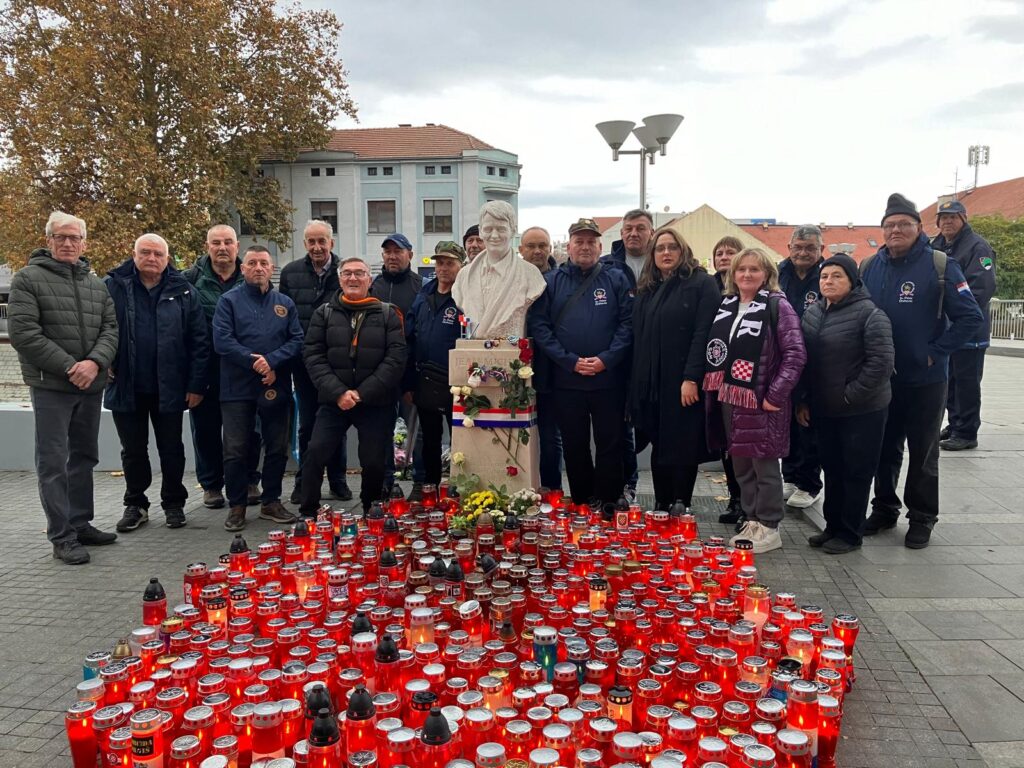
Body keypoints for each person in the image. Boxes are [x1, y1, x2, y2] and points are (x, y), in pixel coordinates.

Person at [860, 193, 983, 548]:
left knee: (924, 451)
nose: (896, 230)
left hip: (925, 380)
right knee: (884, 448)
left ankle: (922, 517)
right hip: (883, 379)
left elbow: (970, 317)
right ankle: (884, 508)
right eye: (889, 225)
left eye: (904, 224)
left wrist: (936, 352)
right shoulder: (869, 267)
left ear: (918, 228)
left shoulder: (940, 265)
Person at [8, 211, 119, 565]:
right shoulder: (28, 279)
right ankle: (61, 536)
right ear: (49, 240)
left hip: (90, 384)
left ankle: (80, 523)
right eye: (61, 237)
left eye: (74, 238)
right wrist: (72, 367)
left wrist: (95, 363)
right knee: (53, 461)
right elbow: (24, 333)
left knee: (84, 456)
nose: (68, 243)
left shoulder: (95, 284)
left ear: (84, 243)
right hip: (52, 385)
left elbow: (111, 329)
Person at [105, 233, 210, 532]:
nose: (151, 258)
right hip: (126, 383)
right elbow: (97, 326)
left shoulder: (184, 291)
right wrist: (102, 360)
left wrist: (196, 385)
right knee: (133, 450)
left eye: (158, 254)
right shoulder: (113, 286)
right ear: (134, 255)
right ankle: (135, 504)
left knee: (172, 448)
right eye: (145, 252)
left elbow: (199, 341)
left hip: (171, 385)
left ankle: (174, 504)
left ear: (167, 259)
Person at [704, 248, 806, 554]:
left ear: (767, 274)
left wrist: (775, 395)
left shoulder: (777, 305)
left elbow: (795, 355)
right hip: (730, 399)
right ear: (733, 274)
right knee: (742, 466)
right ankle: (752, 520)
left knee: (765, 466)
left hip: (763, 402)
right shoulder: (727, 305)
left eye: (754, 269)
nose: (747, 275)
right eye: (741, 269)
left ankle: (770, 526)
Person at [528, 218, 633, 505]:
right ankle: (583, 503)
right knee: (574, 445)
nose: (585, 247)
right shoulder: (551, 282)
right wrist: (570, 361)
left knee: (610, 443)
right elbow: (540, 327)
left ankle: (609, 502)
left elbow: (627, 324)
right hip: (567, 380)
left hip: (607, 380)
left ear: (600, 247)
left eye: (591, 242)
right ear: (569, 246)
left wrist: (606, 359)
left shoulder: (615, 279)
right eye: (579, 241)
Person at [796, 254, 894, 554]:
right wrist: (804, 399)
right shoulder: (813, 312)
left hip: (861, 410)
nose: (829, 281)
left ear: (853, 281)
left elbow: (881, 363)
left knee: (856, 472)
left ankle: (850, 533)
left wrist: (850, 395)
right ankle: (832, 527)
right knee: (833, 469)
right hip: (825, 408)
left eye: (837, 276)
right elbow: (805, 361)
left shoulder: (871, 314)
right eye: (825, 276)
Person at [300, 257, 407, 515]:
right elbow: (313, 356)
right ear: (339, 280)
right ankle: (308, 511)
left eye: (359, 273)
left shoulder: (387, 313)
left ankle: (371, 509)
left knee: (374, 461)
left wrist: (361, 393)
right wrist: (339, 392)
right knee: (315, 452)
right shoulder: (324, 313)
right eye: (347, 273)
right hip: (334, 401)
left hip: (374, 401)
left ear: (369, 280)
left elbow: (396, 358)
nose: (353, 278)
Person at [213, 245, 304, 531]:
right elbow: (223, 341)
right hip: (237, 388)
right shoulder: (228, 301)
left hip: (275, 384)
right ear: (243, 268)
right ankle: (237, 505)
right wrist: (256, 362)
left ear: (272, 268)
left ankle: (271, 501)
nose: (258, 268)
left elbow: (296, 340)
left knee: (277, 446)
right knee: (235, 449)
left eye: (264, 263)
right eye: (252, 263)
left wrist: (272, 362)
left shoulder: (284, 304)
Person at [629, 228, 720, 510]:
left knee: (682, 443)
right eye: (660, 248)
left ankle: (681, 502)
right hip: (652, 381)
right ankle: (661, 502)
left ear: (683, 251)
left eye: (672, 247)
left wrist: (692, 377)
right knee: (659, 442)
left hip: (683, 380)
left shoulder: (701, 283)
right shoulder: (648, 288)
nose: (666, 253)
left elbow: (704, 333)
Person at [183, 225, 261, 509]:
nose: (222, 248)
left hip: (243, 369)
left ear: (237, 246)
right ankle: (212, 486)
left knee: (250, 430)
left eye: (228, 242)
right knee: (205, 430)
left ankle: (249, 480)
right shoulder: (189, 280)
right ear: (208, 247)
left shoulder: (251, 276)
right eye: (216, 243)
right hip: (205, 368)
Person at [279, 220, 351, 504]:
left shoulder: (346, 272)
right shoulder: (290, 273)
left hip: (338, 362)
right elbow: (284, 318)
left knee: (337, 423)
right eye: (312, 241)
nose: (317, 247)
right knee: (307, 425)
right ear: (305, 244)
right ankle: (304, 483)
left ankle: (338, 480)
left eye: (322, 241)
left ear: (331, 242)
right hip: (304, 363)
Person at [931, 199, 996, 451]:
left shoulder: (978, 246)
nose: (947, 222)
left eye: (953, 217)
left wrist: (959, 315)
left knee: (967, 383)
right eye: (943, 217)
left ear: (963, 219)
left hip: (970, 331)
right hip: (945, 330)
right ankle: (955, 423)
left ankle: (967, 431)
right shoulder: (935, 246)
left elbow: (983, 287)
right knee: (950, 382)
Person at [600, 210, 654, 500]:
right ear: (621, 233)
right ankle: (627, 484)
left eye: (640, 228)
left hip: (654, 355)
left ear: (651, 232)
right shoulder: (607, 266)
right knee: (621, 426)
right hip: (620, 355)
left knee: (652, 424)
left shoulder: (663, 262)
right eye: (629, 228)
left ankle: (669, 495)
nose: (634, 233)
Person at [405, 242, 465, 488]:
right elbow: (410, 337)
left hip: (457, 382)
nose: (443, 268)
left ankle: (460, 488)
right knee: (429, 438)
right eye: (440, 263)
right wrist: (409, 381)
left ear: (461, 266)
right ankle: (429, 488)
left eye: (450, 263)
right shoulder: (423, 295)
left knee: (461, 439)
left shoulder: (465, 297)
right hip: (425, 379)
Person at [370, 232, 424, 498]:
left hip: (411, 372)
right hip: (380, 374)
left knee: (418, 431)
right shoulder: (373, 286)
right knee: (381, 430)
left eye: (398, 251)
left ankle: (421, 483)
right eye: (388, 252)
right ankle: (386, 481)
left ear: (409, 255)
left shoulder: (421, 286)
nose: (392, 256)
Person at [778, 225, 825, 510]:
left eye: (810, 248)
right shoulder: (779, 273)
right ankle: (791, 475)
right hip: (785, 357)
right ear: (789, 248)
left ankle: (809, 483)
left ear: (821, 250)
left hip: (816, 358)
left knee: (808, 423)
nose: (803, 253)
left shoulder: (828, 274)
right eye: (798, 247)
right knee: (787, 421)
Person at [453, 200, 547, 340]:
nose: (494, 235)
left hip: (511, 347)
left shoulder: (530, 275)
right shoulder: (463, 276)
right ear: (480, 231)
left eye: (501, 229)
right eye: (488, 229)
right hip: (472, 348)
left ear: (513, 230)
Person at [519, 226, 563, 491]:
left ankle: (551, 489)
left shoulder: (560, 281)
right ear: (520, 250)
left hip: (550, 369)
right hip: (514, 368)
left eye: (542, 245)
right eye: (531, 246)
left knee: (549, 435)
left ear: (550, 248)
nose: (537, 251)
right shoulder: (513, 280)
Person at [710, 236, 744, 526]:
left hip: (744, 379)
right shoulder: (708, 287)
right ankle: (735, 498)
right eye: (719, 253)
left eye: (730, 252)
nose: (723, 257)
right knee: (725, 442)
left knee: (744, 442)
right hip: (716, 377)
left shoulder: (750, 291)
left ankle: (748, 501)